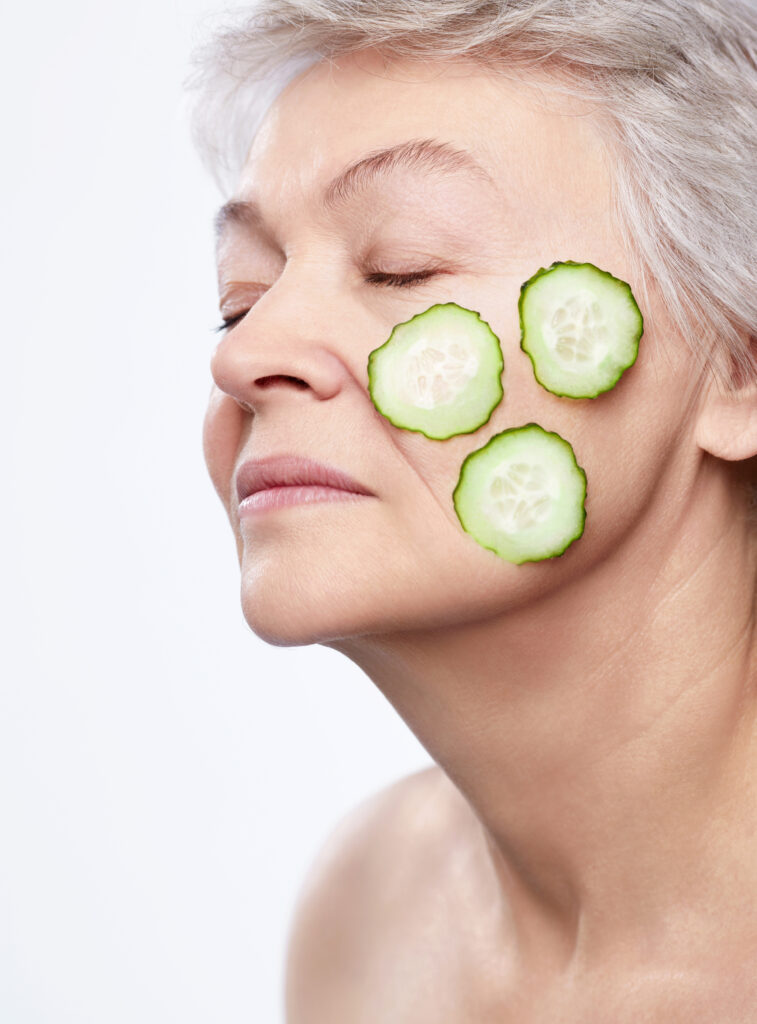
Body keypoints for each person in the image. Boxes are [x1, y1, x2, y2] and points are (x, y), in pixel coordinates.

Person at [190, 0, 757, 1018]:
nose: (239, 353)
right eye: (242, 295)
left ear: (738, 366)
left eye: (399, 265)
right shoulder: (368, 914)